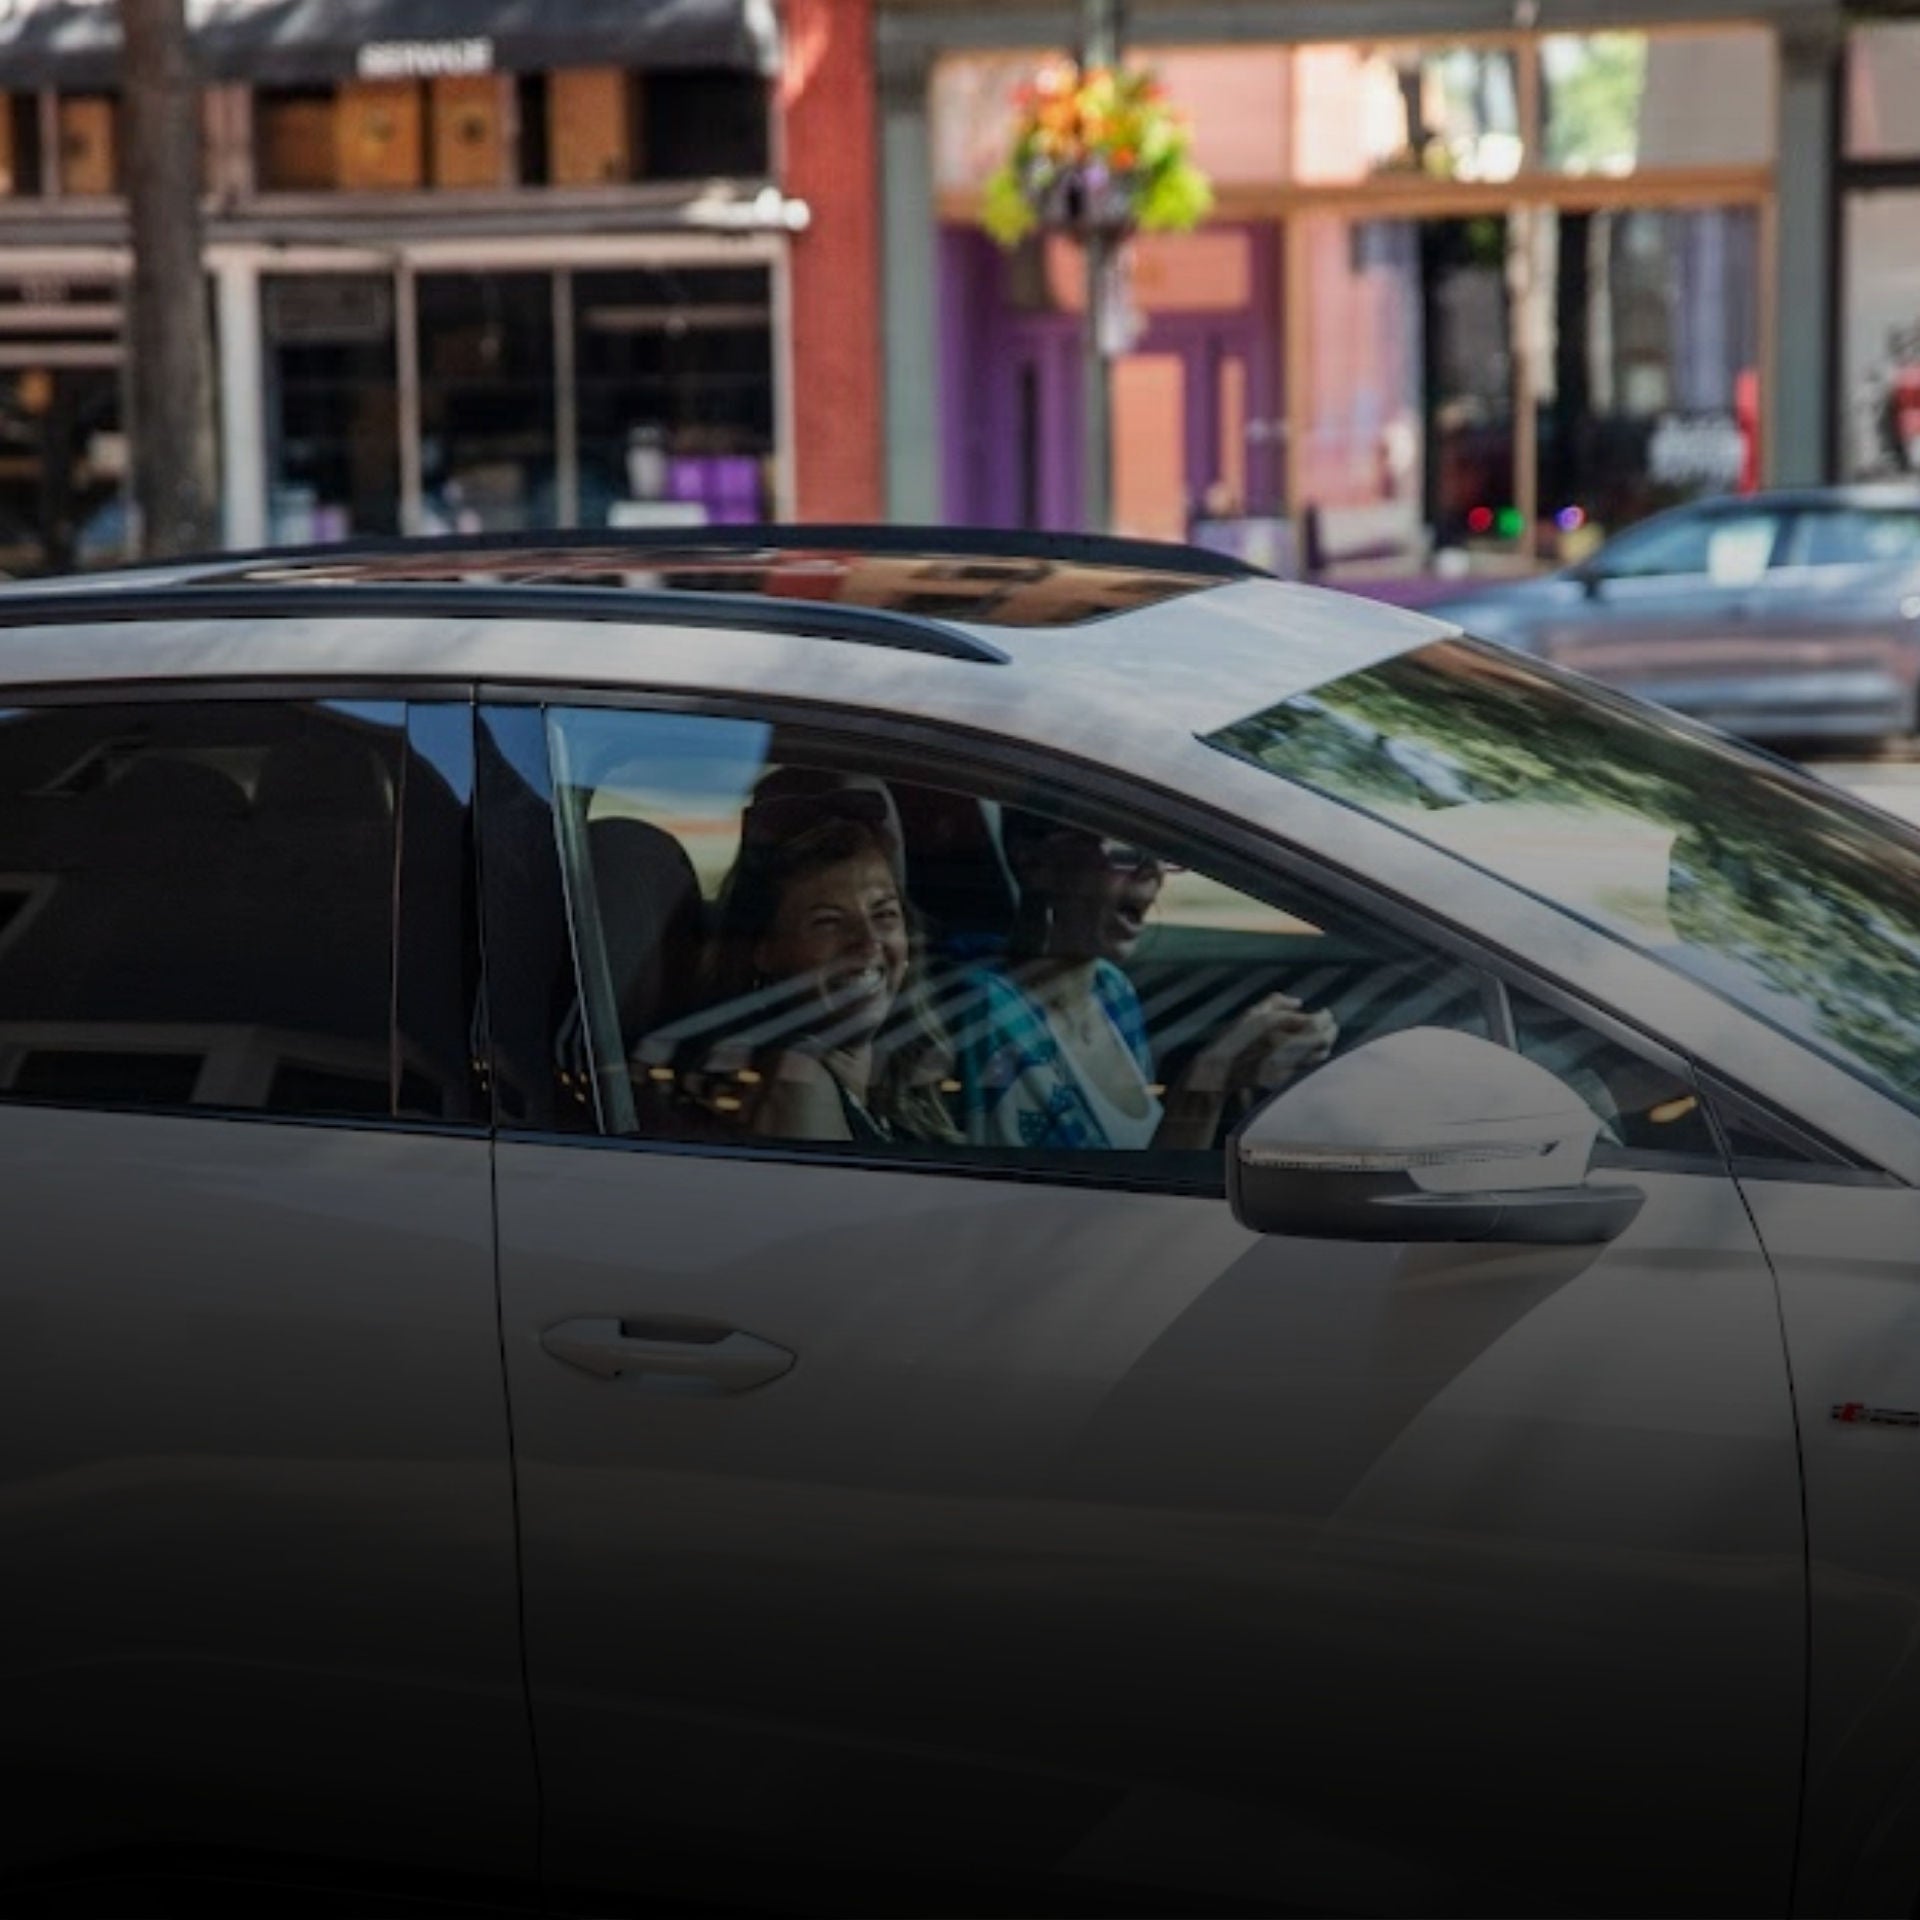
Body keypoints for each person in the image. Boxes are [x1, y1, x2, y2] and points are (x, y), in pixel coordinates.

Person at [956, 813, 1337, 1152]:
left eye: (1160, 850)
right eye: (1125, 849)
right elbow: (1107, 1219)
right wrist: (1207, 1083)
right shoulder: (989, 1013)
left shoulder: (1111, 990)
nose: (1152, 870)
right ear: (1034, 861)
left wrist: (1239, 1078)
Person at [698, 785, 957, 1146]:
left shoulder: (889, 1077)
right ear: (766, 950)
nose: (868, 944)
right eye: (829, 922)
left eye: (884, 915)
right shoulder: (798, 1084)